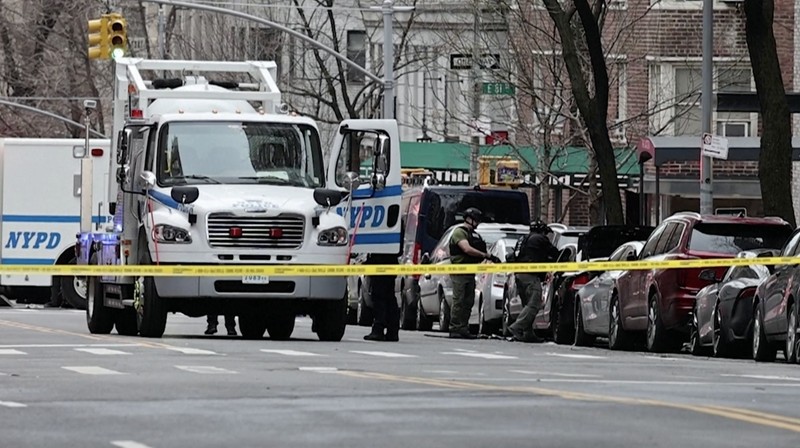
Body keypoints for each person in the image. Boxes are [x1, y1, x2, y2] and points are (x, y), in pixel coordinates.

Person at [448, 207, 499, 339]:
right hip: (459, 270)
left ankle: (463, 327)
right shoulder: (459, 232)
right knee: (459, 299)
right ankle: (455, 327)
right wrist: (485, 255)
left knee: (468, 300)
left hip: (470, 271)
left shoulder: (473, 234)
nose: (477, 223)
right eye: (476, 220)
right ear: (469, 219)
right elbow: (466, 249)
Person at [507, 220, 561, 343]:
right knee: (534, 304)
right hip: (530, 276)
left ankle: (528, 333)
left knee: (527, 304)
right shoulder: (540, 239)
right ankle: (517, 327)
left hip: (519, 275)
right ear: (542, 231)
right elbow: (554, 254)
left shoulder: (523, 239)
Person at [363, 253, 401, 342]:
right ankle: (392, 331)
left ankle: (378, 329)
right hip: (390, 263)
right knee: (389, 296)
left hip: (379, 263)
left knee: (379, 296)